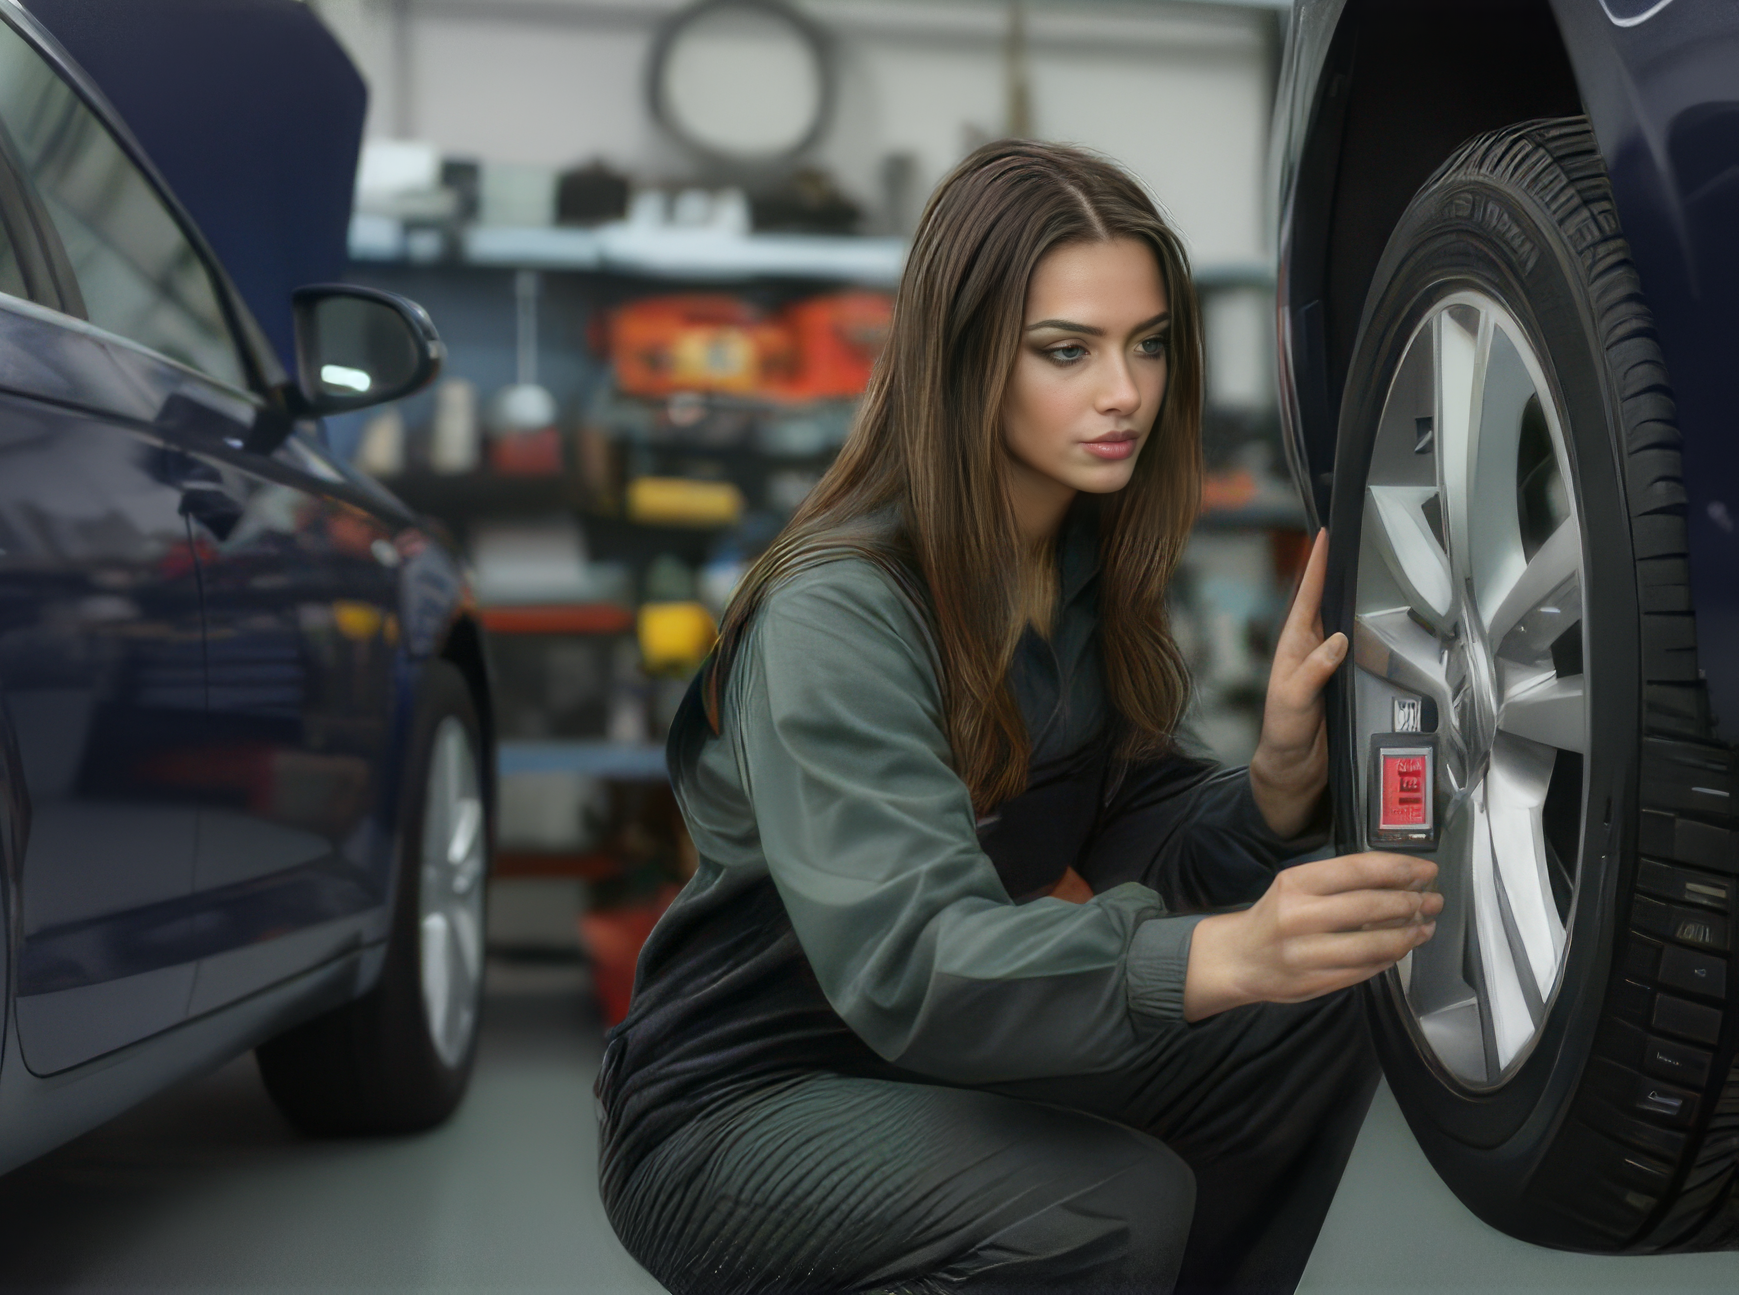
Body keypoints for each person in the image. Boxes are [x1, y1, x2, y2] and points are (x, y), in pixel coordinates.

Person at [594, 140, 1442, 1295]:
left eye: (1147, 345)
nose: (1124, 392)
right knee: (1095, 1208)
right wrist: (1229, 949)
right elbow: (915, 962)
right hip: (743, 1106)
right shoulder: (838, 613)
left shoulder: (1075, 564)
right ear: (962, 361)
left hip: (934, 1061)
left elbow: (1123, 825)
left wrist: (1273, 788)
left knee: (1318, 1002)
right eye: (1066, 351)